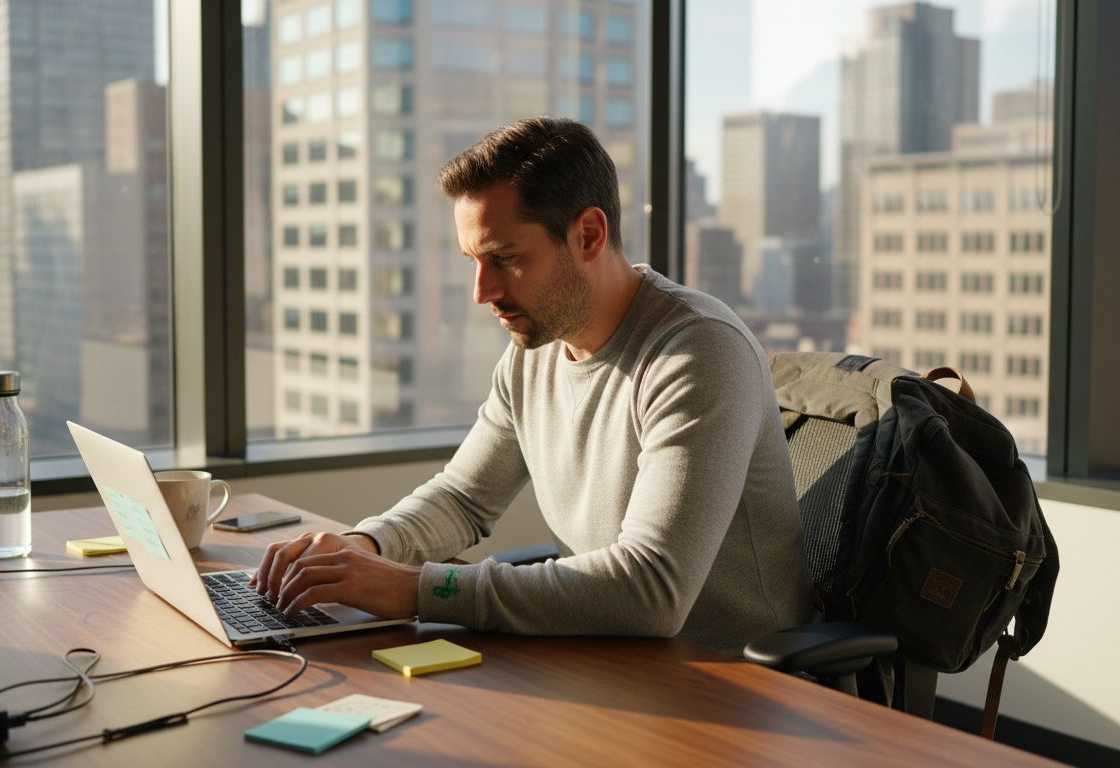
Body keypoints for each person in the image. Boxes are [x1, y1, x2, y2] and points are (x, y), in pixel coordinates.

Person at [253, 117, 812, 655]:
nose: (481, 291)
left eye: (504, 258)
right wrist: (365, 549)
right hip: (603, 659)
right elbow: (463, 499)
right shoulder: (535, 350)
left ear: (589, 234)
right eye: (474, 260)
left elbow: (652, 588)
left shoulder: (698, 352)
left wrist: (412, 588)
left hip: (727, 688)